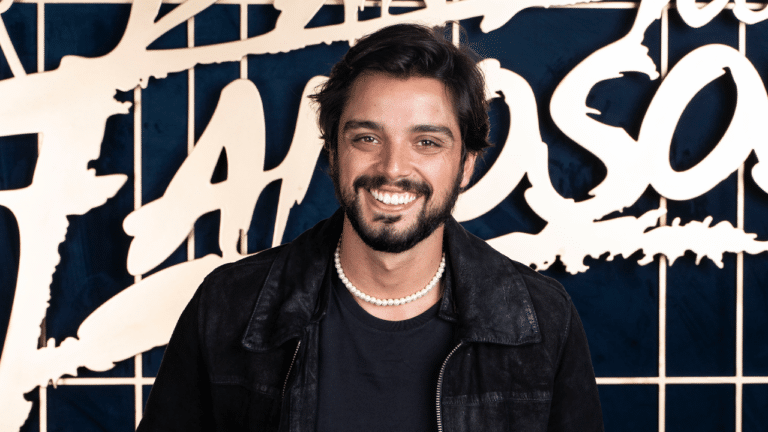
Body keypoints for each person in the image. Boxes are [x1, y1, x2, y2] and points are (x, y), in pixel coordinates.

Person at [137, 23, 603, 432]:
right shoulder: (230, 305)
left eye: (427, 142)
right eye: (367, 138)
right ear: (333, 152)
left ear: (466, 165)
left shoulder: (541, 320)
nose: (393, 167)